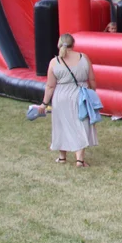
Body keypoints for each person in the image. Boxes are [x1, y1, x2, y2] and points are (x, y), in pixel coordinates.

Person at [40, 33, 98, 167]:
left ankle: (62, 157)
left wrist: (44, 103)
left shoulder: (55, 62)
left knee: (61, 125)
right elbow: (92, 79)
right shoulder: (84, 58)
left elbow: (50, 86)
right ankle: (80, 160)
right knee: (81, 124)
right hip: (80, 94)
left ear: (59, 44)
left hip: (61, 96)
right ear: (74, 44)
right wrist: (93, 92)